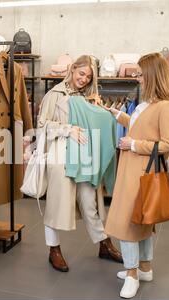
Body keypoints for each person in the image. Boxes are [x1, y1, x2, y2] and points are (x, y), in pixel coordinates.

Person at [36, 55, 122, 272]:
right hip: (61, 157)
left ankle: (104, 243)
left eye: (88, 76)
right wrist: (68, 129)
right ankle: (53, 249)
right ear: (73, 69)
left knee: (89, 201)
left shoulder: (88, 97)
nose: (84, 79)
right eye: (81, 73)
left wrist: (99, 109)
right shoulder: (54, 94)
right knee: (56, 205)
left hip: (84, 157)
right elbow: (42, 126)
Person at [104, 53, 169, 298]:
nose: (137, 78)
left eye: (139, 74)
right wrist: (117, 115)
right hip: (132, 169)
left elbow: (168, 144)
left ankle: (132, 274)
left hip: (141, 171)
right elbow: (140, 125)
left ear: (152, 75)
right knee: (141, 220)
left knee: (128, 223)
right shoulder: (149, 103)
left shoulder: (167, 106)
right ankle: (145, 268)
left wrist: (134, 144)